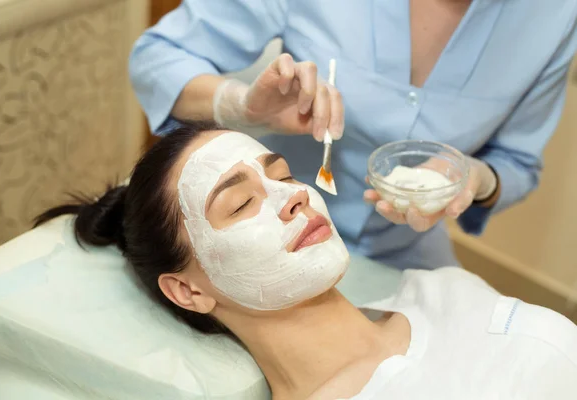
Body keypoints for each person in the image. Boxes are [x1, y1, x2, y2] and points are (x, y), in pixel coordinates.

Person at [35, 122, 577, 400]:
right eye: (241, 202)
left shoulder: (439, 288)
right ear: (189, 290)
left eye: (284, 174)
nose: (291, 195)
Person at [128, 0, 577, 270]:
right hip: (270, 231)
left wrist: (475, 178)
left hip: (405, 252)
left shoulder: (556, 16)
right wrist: (242, 106)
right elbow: (158, 58)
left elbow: (517, 165)